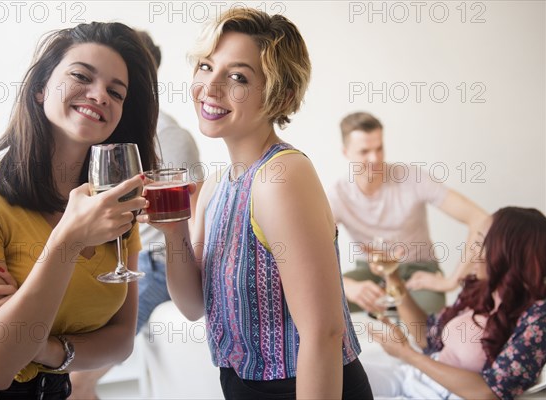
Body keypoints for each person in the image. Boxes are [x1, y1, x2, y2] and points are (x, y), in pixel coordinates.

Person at [137, 8, 372, 399]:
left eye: (237, 77)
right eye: (206, 66)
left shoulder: (282, 177)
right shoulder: (215, 186)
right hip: (240, 385)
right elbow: (194, 306)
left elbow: (323, 332)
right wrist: (173, 229)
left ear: (282, 94)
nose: (210, 87)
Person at [0, 22, 158, 399]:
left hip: (54, 389)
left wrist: (46, 348)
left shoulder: (115, 205)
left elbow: (122, 339)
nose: (99, 95)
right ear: (41, 88)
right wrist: (68, 240)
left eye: (116, 91)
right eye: (81, 76)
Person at [68, 29, 203, 400]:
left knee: (78, 380)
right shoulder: (102, 131)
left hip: (155, 261)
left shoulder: (168, 136)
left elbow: (193, 211)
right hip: (119, 255)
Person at [365, 206, 546, 399]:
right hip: (416, 379)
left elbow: (490, 392)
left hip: (441, 395)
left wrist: (407, 354)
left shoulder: (538, 318)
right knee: (345, 375)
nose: (471, 251)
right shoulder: (479, 289)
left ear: (508, 253)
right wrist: (392, 275)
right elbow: (428, 336)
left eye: (480, 243)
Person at [326, 111, 488, 314]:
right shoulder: (337, 195)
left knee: (428, 315)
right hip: (371, 271)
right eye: (364, 151)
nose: (375, 159)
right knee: (323, 300)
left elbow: (482, 220)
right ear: (346, 152)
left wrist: (452, 281)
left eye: (379, 148)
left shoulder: (412, 178)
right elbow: (311, 250)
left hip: (416, 271)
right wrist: (347, 285)